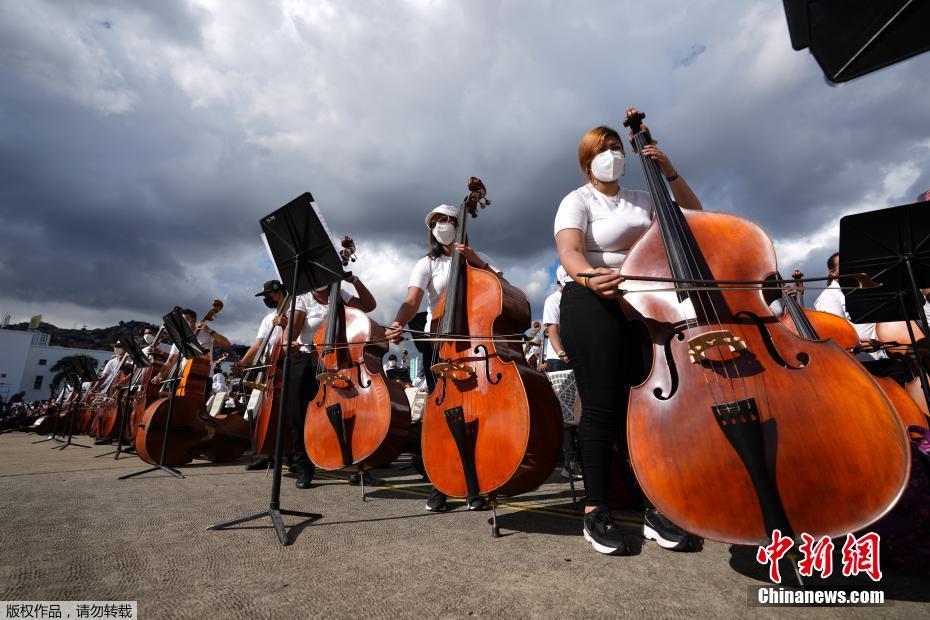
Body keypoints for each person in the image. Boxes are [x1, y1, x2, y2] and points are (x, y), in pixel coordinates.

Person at [554, 125, 704, 555]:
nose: (613, 155)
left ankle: (654, 506)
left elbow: (694, 217)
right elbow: (569, 250)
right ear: (588, 162)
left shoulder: (642, 197)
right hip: (591, 298)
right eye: (603, 150)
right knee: (601, 407)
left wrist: (669, 171)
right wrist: (588, 276)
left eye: (617, 148)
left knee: (645, 409)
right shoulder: (577, 199)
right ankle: (595, 509)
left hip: (643, 301)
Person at [385, 203, 499, 513]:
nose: (443, 224)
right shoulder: (427, 264)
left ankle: (480, 480)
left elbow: (506, 289)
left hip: (476, 343)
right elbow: (412, 300)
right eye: (437, 221)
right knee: (444, 415)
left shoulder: (479, 259)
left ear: (459, 224)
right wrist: (397, 322)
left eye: (448, 219)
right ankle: (441, 482)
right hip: (439, 342)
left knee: (480, 413)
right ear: (431, 230)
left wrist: (476, 262)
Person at [542, 267, 582, 480]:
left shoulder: (580, 299)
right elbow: (553, 331)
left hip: (580, 357)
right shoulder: (553, 300)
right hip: (560, 359)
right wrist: (563, 354)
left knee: (583, 411)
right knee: (567, 411)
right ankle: (570, 460)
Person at [152, 308, 231, 386]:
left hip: (203, 378)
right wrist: (159, 376)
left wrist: (210, 331)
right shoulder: (179, 339)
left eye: (185, 320)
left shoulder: (205, 334)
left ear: (193, 321)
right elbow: (170, 361)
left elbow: (227, 344)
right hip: (182, 377)